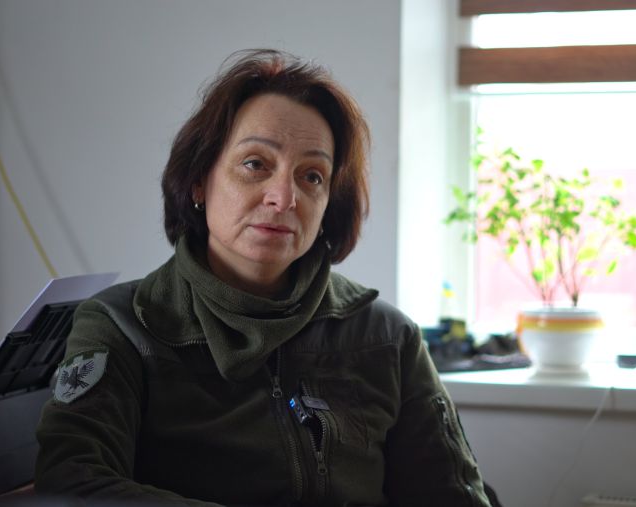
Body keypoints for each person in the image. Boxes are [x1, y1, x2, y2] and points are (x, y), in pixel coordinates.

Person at [34, 49, 493, 507]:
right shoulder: (122, 327)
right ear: (199, 180)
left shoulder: (386, 337)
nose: (284, 197)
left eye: (312, 176)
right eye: (255, 164)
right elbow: (72, 483)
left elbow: (454, 496)